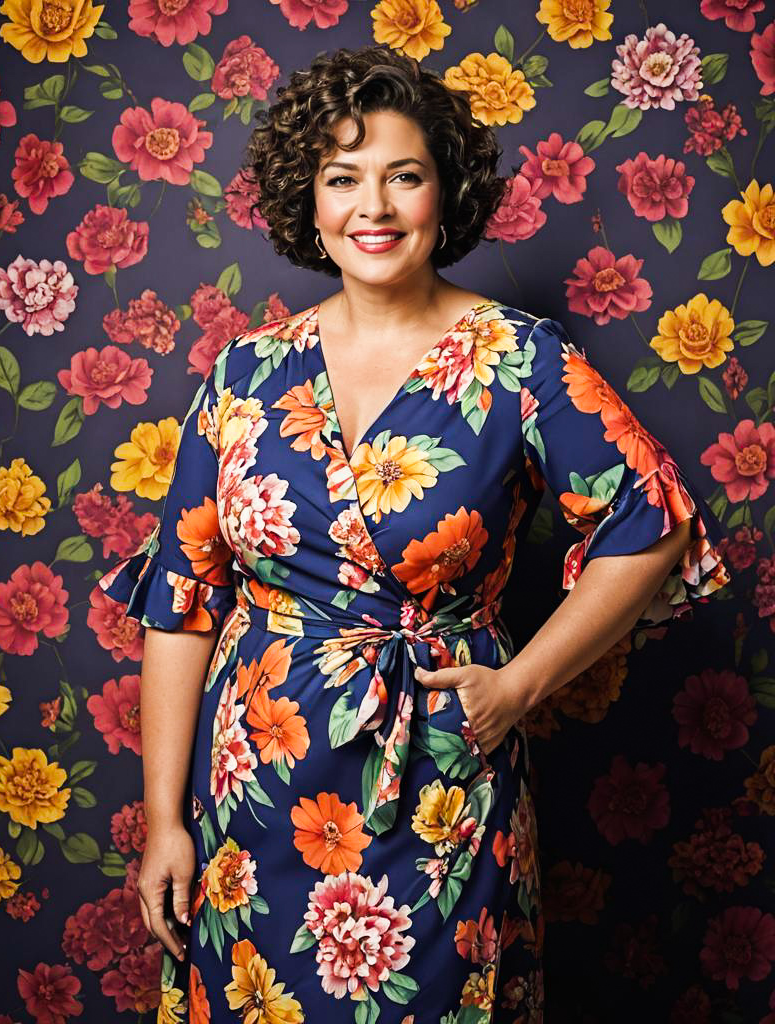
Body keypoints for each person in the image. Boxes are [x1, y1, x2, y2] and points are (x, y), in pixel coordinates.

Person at [96, 43, 732, 1024]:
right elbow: (181, 600)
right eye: (342, 179)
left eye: (404, 176)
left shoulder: (518, 360)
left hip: (438, 776)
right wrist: (164, 821)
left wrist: (517, 685)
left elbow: (649, 525)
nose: (373, 207)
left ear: (446, 192)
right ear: (307, 202)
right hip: (259, 786)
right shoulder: (245, 374)